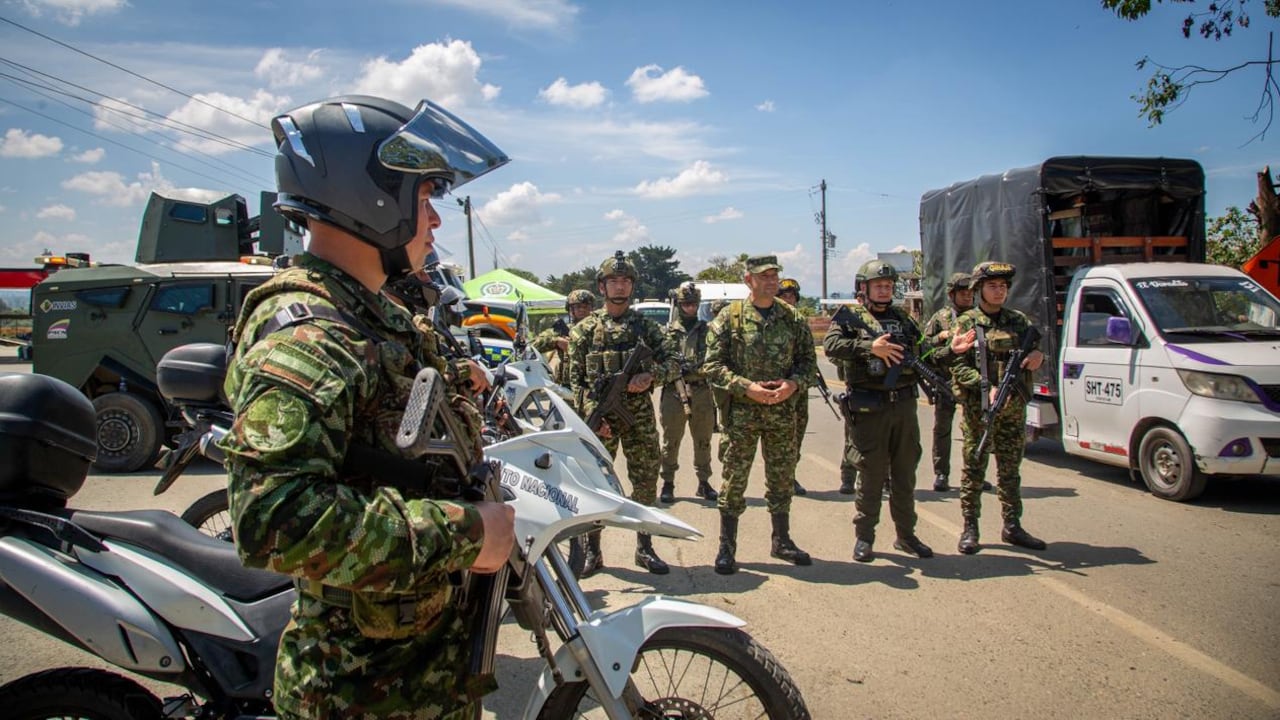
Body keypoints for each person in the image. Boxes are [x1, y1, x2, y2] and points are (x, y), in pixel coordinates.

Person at [220, 96, 516, 720]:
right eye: (425, 195)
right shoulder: (311, 336)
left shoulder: (372, 316)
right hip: (357, 696)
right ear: (370, 195)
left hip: (414, 680)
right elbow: (274, 518)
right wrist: (465, 535)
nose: (434, 218)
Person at [567, 251, 681, 576]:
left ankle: (644, 548)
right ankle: (594, 552)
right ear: (602, 287)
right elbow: (574, 382)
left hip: (639, 419)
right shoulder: (584, 331)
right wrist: (592, 419)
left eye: (625, 281)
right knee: (595, 486)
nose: (620, 287)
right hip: (599, 421)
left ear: (632, 286)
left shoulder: (647, 328)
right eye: (613, 281)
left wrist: (651, 376)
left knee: (645, 480)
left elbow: (675, 362)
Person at [703, 255, 815, 574]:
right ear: (748, 280)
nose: (770, 281)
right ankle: (727, 547)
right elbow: (712, 365)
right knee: (734, 480)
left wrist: (792, 385)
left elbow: (808, 363)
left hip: (782, 410)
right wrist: (746, 387)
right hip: (742, 413)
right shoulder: (730, 317)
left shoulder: (792, 317)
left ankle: (781, 540)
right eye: (762, 276)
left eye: (773, 276)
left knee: (781, 478)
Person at [823, 260, 933, 562]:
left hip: (904, 405)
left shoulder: (902, 317)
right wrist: (871, 347)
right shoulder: (851, 318)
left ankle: (906, 536)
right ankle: (865, 537)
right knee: (870, 474)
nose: (884, 290)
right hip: (870, 406)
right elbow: (831, 345)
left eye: (888, 285)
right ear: (864, 288)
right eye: (878, 285)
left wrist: (948, 346)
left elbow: (923, 348)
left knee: (904, 473)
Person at [949, 261, 1048, 555]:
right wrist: (984, 386)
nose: (999, 291)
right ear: (979, 289)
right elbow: (957, 365)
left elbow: (1036, 351)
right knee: (974, 468)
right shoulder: (967, 323)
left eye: (1003, 286)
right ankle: (970, 527)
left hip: (1013, 408)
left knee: (1010, 470)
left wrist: (1038, 357)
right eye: (992, 286)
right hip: (980, 410)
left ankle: (1012, 526)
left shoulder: (1018, 321)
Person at [659, 281, 719, 504]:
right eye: (686, 304)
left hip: (701, 390)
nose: (690, 308)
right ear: (679, 305)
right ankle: (668, 482)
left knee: (703, 440)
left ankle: (704, 482)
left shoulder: (707, 330)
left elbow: (715, 360)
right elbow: (659, 361)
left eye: (694, 304)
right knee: (671, 440)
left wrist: (698, 368)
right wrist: (673, 369)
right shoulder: (667, 331)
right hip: (674, 391)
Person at [921, 272, 979, 493]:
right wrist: (940, 337)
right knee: (942, 429)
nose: (967, 297)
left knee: (974, 430)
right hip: (946, 381)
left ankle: (975, 472)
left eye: (970, 293)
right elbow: (923, 348)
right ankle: (941, 473)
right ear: (952, 294)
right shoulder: (941, 317)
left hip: (972, 381)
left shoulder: (979, 317)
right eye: (962, 293)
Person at [776, 277, 809, 497]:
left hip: (797, 389)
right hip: (776, 389)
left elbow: (808, 358)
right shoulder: (773, 321)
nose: (788, 300)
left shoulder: (800, 322)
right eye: (784, 296)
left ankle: (791, 475)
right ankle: (780, 479)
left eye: (791, 296)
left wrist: (800, 379)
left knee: (797, 434)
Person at [532, 289, 594, 386]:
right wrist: (556, 341)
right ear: (570, 309)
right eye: (577, 307)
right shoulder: (563, 330)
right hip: (566, 389)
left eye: (586, 306)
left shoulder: (598, 330)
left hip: (591, 387)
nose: (582, 310)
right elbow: (534, 345)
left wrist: (574, 348)